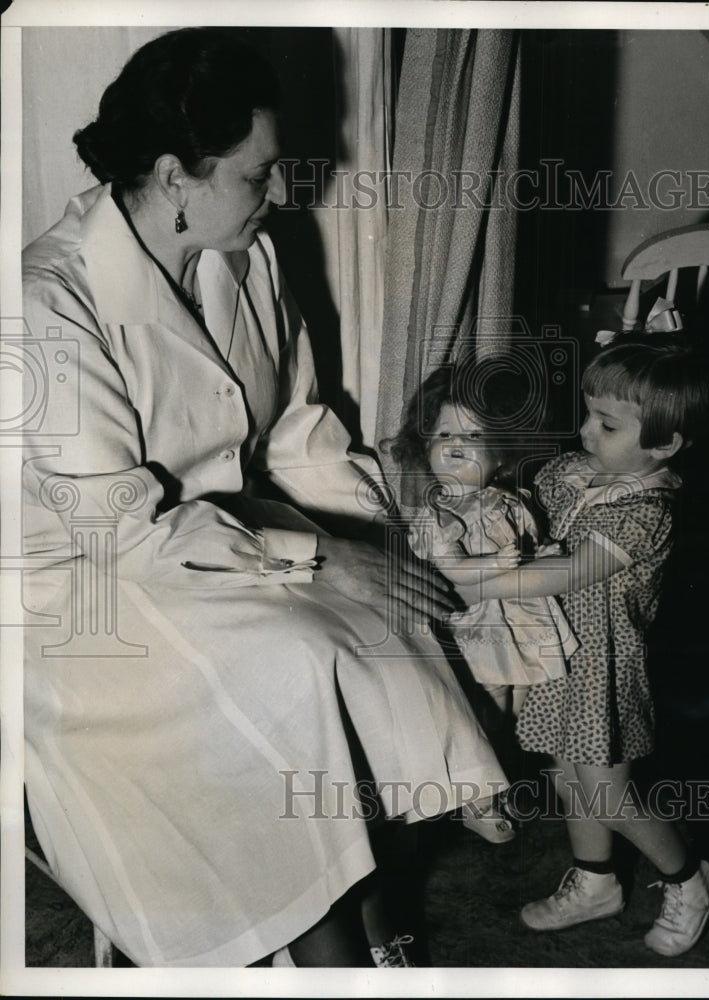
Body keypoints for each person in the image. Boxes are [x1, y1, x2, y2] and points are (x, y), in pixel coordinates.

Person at [21, 27, 507, 969]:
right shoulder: (45, 302)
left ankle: (372, 917)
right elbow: (121, 531)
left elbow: (298, 434)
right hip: (82, 590)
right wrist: (324, 559)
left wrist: (396, 537)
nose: (282, 194)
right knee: (297, 664)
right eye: (258, 174)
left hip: (220, 547)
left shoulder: (249, 254)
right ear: (174, 175)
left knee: (395, 630)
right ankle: (323, 950)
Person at [448, 335, 709, 957]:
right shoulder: (571, 472)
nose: (586, 430)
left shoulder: (648, 509)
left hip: (603, 670)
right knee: (567, 776)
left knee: (609, 792)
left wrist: (475, 574)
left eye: (607, 423)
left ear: (665, 444)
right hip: (552, 655)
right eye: (588, 413)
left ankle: (691, 876)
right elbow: (526, 520)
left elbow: (568, 572)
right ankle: (597, 881)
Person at [389, 361, 577, 845]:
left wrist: (544, 554)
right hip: (477, 623)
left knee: (520, 704)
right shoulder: (438, 514)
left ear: (503, 452)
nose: (453, 443)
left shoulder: (511, 500)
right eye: (443, 432)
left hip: (519, 619)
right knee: (487, 707)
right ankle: (476, 797)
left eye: (472, 435)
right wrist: (498, 562)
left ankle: (506, 778)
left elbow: (533, 544)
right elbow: (451, 569)